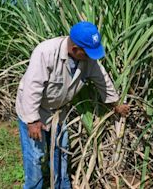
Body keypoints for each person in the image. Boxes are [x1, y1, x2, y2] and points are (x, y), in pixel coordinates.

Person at [16, 21, 129, 189]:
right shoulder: (45, 52)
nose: (92, 57)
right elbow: (32, 88)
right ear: (75, 49)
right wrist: (32, 121)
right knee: (35, 157)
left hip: (59, 112)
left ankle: (62, 186)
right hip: (35, 111)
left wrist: (115, 104)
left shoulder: (87, 59)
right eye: (88, 53)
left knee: (61, 152)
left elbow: (102, 79)